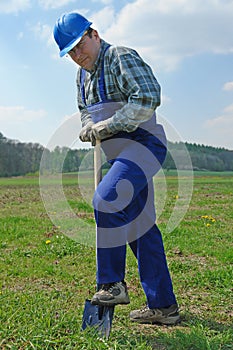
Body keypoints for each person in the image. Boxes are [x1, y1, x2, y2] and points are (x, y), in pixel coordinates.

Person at [53, 11, 180, 325]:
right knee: (141, 228)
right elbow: (85, 110)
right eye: (70, 52)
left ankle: (111, 283)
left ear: (94, 35)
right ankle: (164, 307)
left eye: (80, 45)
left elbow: (148, 96)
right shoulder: (82, 76)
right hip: (118, 155)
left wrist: (107, 125)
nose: (77, 55)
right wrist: (88, 127)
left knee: (106, 199)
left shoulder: (119, 57)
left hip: (144, 146)